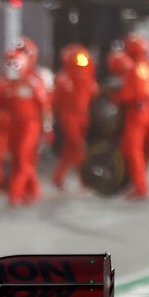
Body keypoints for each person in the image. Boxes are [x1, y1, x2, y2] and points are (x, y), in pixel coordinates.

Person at [0, 37, 50, 205]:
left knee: (21, 158)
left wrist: (47, 129)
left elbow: (45, 107)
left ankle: (15, 193)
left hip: (30, 125)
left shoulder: (34, 80)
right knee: (18, 159)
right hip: (13, 126)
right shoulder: (6, 85)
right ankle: (33, 189)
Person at [109, 40, 149, 200]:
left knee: (133, 150)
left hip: (136, 113)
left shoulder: (134, 69)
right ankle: (136, 182)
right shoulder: (148, 67)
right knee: (131, 148)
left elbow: (130, 94)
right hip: (147, 111)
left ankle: (141, 187)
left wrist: (114, 97)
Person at [51, 44, 98, 191]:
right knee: (78, 146)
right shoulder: (63, 79)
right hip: (69, 116)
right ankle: (84, 179)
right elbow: (55, 100)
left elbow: (94, 93)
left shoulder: (87, 78)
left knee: (70, 149)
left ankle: (58, 178)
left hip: (83, 116)